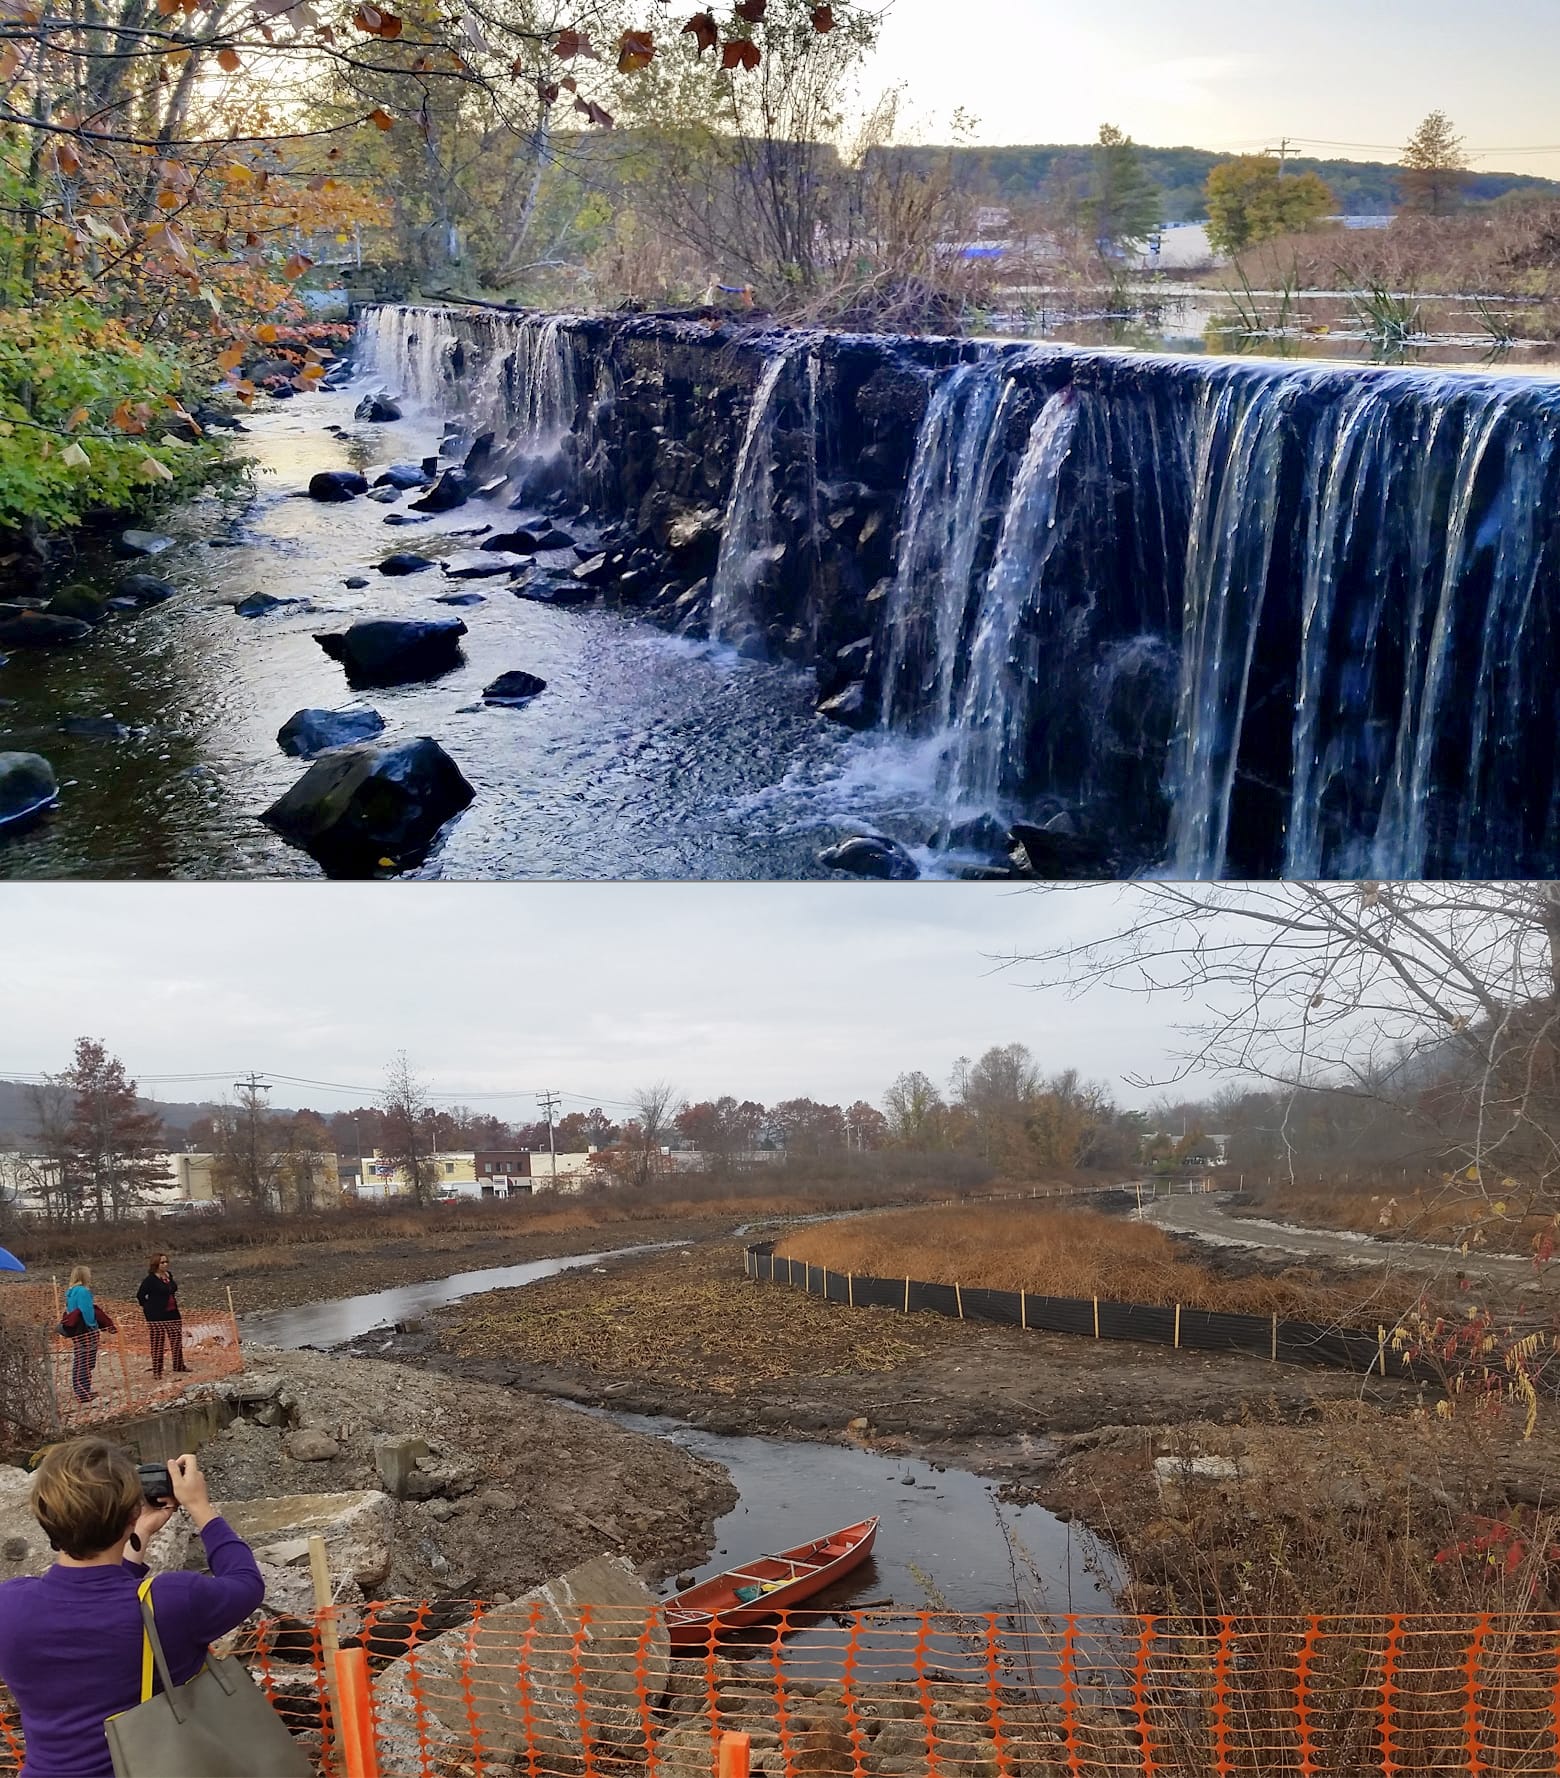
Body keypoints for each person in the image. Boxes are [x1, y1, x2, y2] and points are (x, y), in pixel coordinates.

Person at [0, 1440, 265, 1778]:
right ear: (131, 1512)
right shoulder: (173, 1601)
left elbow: (93, 1601)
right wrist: (199, 1506)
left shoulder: (9, 1606)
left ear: (45, 1515)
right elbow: (246, 1583)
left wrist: (139, 1532)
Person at [62, 1265, 113, 1404]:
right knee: (86, 1361)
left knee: (80, 1359)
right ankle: (83, 1391)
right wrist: (93, 1326)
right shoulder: (83, 1291)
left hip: (76, 1330)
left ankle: (81, 1389)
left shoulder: (70, 1292)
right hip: (86, 1330)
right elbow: (87, 1311)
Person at [135, 1252, 189, 1379]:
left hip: (173, 1312)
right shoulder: (150, 1280)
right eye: (162, 1262)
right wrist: (149, 1307)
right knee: (158, 1343)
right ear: (156, 1264)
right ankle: (157, 1370)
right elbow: (140, 1296)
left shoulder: (168, 1275)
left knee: (176, 1340)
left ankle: (179, 1365)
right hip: (156, 1315)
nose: (165, 1264)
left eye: (166, 1262)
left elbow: (172, 1289)